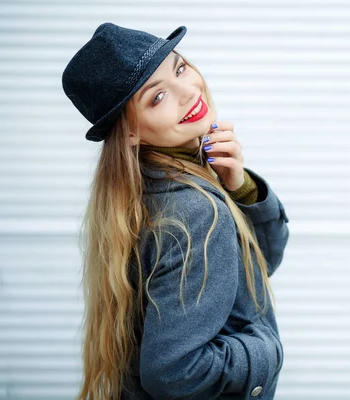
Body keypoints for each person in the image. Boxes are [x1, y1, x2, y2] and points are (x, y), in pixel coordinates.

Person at [61, 22, 290, 400]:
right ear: (130, 132)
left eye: (179, 68)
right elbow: (174, 371)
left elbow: (251, 267)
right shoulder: (193, 210)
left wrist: (239, 187)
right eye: (157, 97)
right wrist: (265, 350)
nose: (187, 92)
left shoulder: (145, 186)